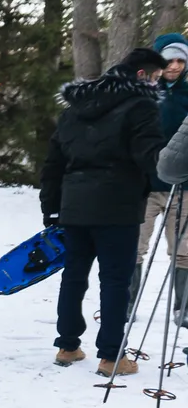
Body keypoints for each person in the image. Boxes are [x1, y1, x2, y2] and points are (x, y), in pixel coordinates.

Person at [41, 48, 166, 375]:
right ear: (141, 75)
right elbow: (148, 155)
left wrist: (51, 209)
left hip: (75, 206)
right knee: (115, 281)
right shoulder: (141, 106)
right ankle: (112, 356)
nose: (156, 84)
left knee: (73, 276)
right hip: (118, 206)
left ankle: (68, 346)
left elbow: (53, 163)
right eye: (155, 77)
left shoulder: (74, 110)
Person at [129, 33, 188, 324]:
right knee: (134, 245)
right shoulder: (143, 92)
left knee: (184, 251)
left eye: (181, 60)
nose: (175, 65)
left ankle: (184, 308)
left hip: (183, 187)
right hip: (146, 186)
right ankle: (126, 304)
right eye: (169, 59)